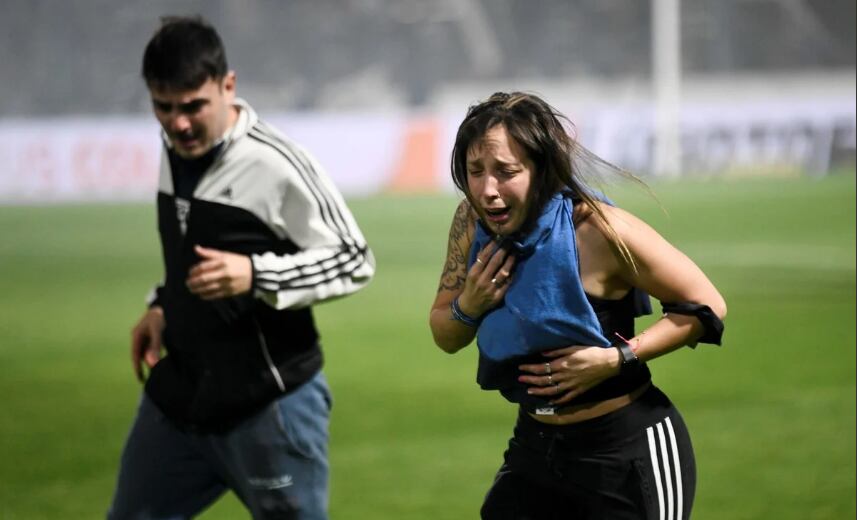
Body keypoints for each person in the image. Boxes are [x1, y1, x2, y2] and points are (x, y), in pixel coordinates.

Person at [108, 16, 375, 520]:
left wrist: (257, 275)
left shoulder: (275, 163)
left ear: (227, 86)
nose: (178, 122)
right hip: (181, 399)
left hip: (270, 407)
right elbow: (191, 249)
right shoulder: (176, 149)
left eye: (192, 107)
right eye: (162, 108)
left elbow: (354, 258)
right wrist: (162, 306)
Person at [429, 92, 726, 519]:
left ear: (543, 169)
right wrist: (469, 305)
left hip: (623, 449)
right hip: (535, 446)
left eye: (505, 172)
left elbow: (707, 305)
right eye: (475, 172)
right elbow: (445, 335)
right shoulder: (470, 223)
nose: (487, 190)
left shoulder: (601, 230)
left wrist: (616, 358)